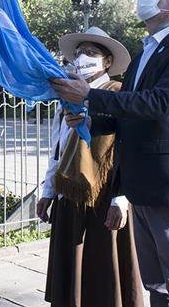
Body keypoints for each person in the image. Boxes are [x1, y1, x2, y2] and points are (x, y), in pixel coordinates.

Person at [51, 0, 169, 307]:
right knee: (158, 287)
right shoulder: (144, 55)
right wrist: (90, 120)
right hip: (143, 188)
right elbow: (128, 114)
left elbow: (159, 103)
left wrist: (90, 98)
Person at [38, 27, 142, 307]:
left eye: (92, 53)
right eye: (80, 52)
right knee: (73, 270)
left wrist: (122, 199)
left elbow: (129, 148)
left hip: (106, 194)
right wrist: (48, 190)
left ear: (107, 62)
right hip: (70, 192)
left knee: (105, 272)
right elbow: (58, 148)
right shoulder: (67, 99)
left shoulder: (117, 93)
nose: (84, 57)